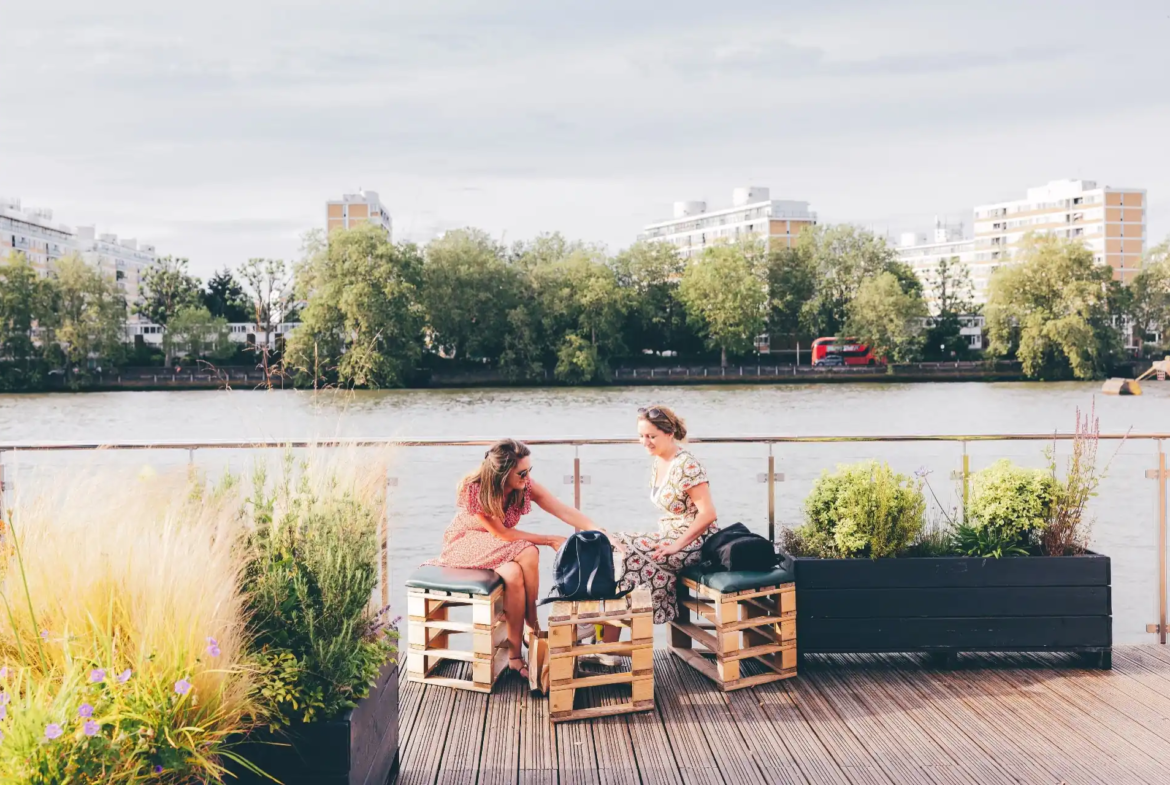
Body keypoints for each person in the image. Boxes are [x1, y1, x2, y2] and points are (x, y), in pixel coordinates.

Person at [424, 438, 598, 678]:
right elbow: (503, 534)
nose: (527, 477)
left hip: (497, 545)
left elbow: (561, 509)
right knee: (529, 551)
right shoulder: (476, 489)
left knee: (515, 574)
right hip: (465, 542)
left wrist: (600, 532)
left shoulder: (524, 485)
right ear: (502, 474)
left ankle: (516, 656)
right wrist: (549, 539)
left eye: (529, 470)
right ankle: (533, 624)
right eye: (522, 473)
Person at [610, 405, 719, 626]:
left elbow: (708, 514)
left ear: (669, 433)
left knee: (628, 548)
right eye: (641, 436)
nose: (645, 442)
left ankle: (627, 626)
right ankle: (612, 622)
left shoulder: (686, 464)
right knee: (614, 542)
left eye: (651, 436)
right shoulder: (659, 460)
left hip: (695, 542)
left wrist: (676, 545)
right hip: (670, 536)